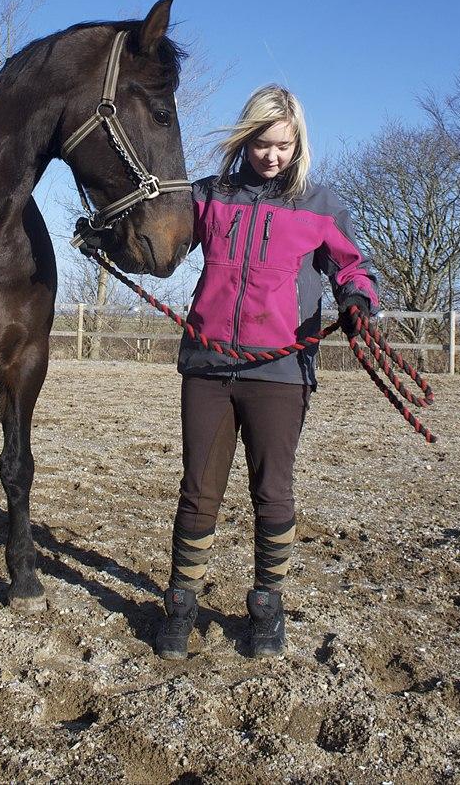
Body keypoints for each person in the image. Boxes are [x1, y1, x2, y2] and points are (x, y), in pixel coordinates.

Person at [155, 85, 379, 660]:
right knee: (197, 489)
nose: (271, 156)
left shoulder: (319, 206)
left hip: (280, 370)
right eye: (261, 143)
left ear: (298, 143)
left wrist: (357, 301)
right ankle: (181, 602)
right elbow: (160, 245)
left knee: (272, 492)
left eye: (283, 145)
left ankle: (267, 605)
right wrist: (111, 237)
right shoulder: (209, 197)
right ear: (245, 139)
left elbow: (354, 267)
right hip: (207, 367)